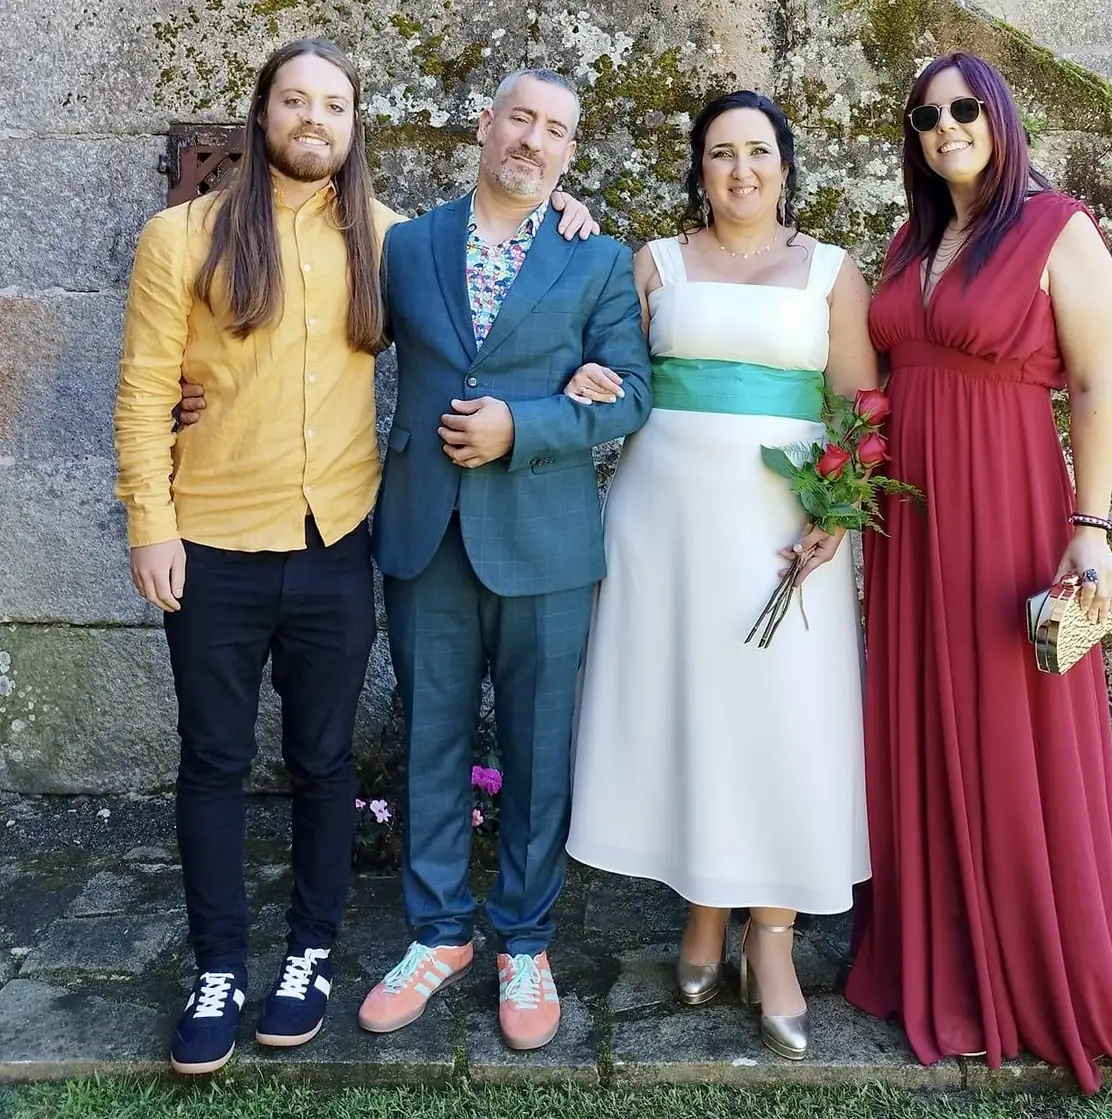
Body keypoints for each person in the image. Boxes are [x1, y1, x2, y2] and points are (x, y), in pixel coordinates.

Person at [118, 41, 596, 1075]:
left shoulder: (389, 240)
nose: (313, 119)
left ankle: (312, 954)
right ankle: (217, 967)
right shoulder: (181, 236)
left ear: (352, 125)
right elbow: (147, 386)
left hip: (336, 539)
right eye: (295, 100)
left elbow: (502, 264)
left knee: (324, 760)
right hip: (211, 539)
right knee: (213, 760)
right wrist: (148, 519)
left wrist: (563, 211)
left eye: (332, 105)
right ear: (263, 113)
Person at [842, 52, 1112, 1093]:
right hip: (909, 524)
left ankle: (1029, 967)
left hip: (1006, 509)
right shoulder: (911, 240)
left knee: (1008, 727)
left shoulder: (1057, 227)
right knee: (919, 718)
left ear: (998, 117)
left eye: (963, 108)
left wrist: (1091, 528)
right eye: (925, 116)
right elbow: (881, 373)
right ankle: (937, 955)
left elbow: (1093, 388)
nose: (944, 126)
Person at [563, 91, 877, 1061]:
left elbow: (860, 406)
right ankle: (703, 905)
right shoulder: (653, 263)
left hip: (786, 530)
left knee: (782, 720)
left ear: (784, 164)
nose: (740, 170)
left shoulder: (831, 271)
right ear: (698, 169)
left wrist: (837, 512)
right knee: (694, 710)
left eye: (757, 152)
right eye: (719, 154)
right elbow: (609, 371)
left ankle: (770, 935)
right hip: (666, 527)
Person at [355, 69, 653, 1053]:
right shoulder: (407, 244)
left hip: (544, 541)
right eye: (520, 118)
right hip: (425, 533)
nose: (533, 139)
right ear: (485, 124)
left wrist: (523, 426)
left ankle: (525, 940)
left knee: (536, 750)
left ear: (571, 152)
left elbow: (630, 395)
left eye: (555, 129)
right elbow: (330, 341)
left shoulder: (595, 257)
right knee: (430, 740)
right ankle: (438, 933)